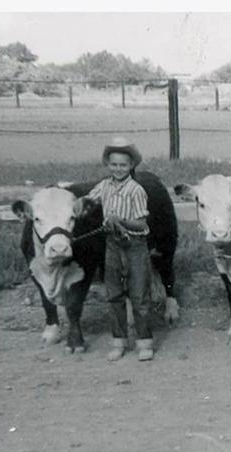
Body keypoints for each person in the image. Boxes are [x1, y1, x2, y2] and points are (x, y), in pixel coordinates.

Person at [87, 137, 155, 362]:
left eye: (123, 165)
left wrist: (121, 220)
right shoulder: (104, 186)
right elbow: (88, 201)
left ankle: (144, 342)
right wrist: (77, 204)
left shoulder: (136, 190)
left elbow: (143, 224)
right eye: (114, 164)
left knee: (139, 295)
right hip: (112, 245)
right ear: (108, 164)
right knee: (114, 294)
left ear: (131, 166)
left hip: (134, 246)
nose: (118, 169)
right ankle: (119, 341)